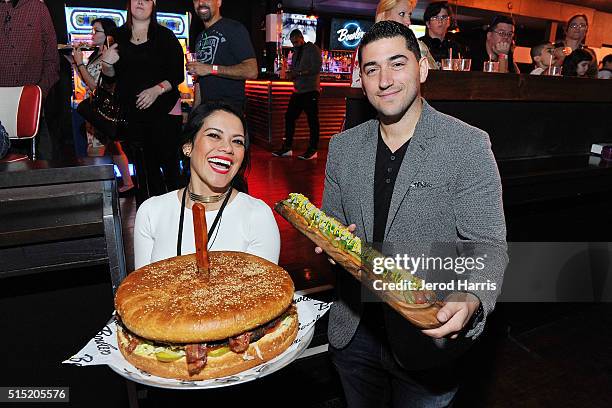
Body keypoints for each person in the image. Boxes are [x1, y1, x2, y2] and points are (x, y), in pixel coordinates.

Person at [317, 21, 507, 407]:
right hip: (355, 334)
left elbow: (488, 244)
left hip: (428, 338)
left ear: (421, 68)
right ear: (361, 79)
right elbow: (331, 219)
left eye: (397, 63)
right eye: (372, 69)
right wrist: (331, 236)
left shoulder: (467, 145)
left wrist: (471, 295)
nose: (384, 79)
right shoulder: (343, 148)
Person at [134, 102, 280, 269]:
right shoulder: (151, 212)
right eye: (214, 136)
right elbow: (142, 291)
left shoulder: (257, 216)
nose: (227, 148)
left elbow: (262, 293)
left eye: (237, 141)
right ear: (188, 146)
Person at [101, 0, 184, 199]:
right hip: (133, 119)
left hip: (165, 115)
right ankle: (149, 223)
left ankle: (179, 222)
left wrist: (157, 89)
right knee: (145, 175)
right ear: (129, 4)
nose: (140, 2)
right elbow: (109, 78)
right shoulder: (116, 37)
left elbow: (177, 74)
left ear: (153, 4)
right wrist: (106, 64)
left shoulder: (165, 36)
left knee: (172, 173)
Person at [67, 18, 134, 193]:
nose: (92, 35)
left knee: (94, 150)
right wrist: (75, 63)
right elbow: (86, 81)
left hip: (100, 109)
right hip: (98, 108)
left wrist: (80, 63)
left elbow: (96, 87)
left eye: (96, 31)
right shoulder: (98, 53)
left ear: (107, 33)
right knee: (114, 147)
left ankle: (95, 191)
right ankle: (128, 183)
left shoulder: (108, 54)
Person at [0, 0, 59, 160]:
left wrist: (39, 93)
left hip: (32, 105)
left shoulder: (37, 8)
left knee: (42, 168)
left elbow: (52, 59)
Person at [187, 0, 258, 113]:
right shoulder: (200, 37)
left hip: (229, 112)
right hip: (207, 111)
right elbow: (201, 81)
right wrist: (195, 112)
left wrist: (211, 69)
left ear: (219, 2)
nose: (201, 3)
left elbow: (252, 71)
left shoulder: (234, 28)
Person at [351, 0, 437, 88]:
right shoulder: (367, 48)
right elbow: (356, 88)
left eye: (409, 15)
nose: (408, 21)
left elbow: (436, 81)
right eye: (402, 14)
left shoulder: (418, 46)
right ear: (384, 15)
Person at [272, 29, 322, 160]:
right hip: (299, 91)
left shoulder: (312, 49)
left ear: (301, 38)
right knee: (289, 117)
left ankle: (313, 149)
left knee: (312, 121)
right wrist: (290, 75)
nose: (294, 44)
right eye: (293, 43)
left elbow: (316, 68)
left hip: (311, 89)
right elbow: (296, 70)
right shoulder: (295, 53)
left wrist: (298, 74)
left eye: (296, 41)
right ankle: (287, 147)